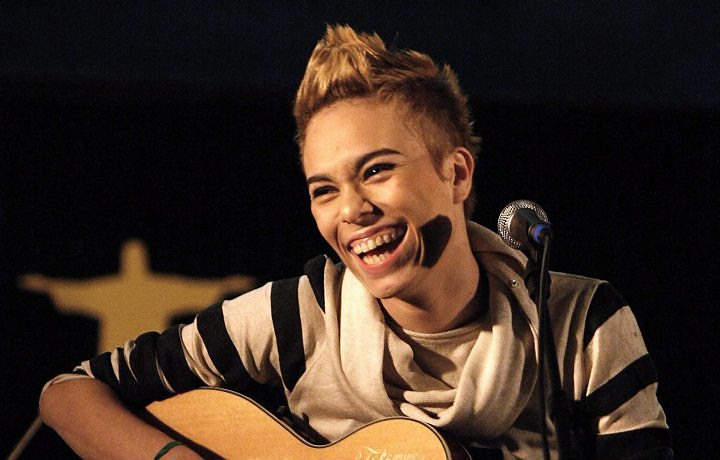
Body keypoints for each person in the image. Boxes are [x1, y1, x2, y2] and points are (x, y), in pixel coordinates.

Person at [39, 24, 672, 459]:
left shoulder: (579, 325)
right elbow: (68, 392)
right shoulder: (293, 318)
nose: (351, 210)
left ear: (457, 174)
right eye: (324, 189)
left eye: (376, 171)